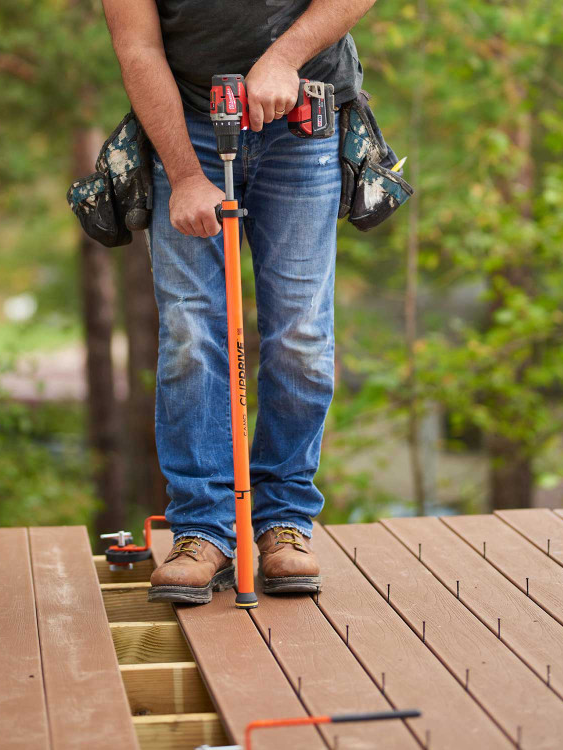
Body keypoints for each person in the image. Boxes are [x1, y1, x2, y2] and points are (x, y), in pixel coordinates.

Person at [102, 0, 374, 604]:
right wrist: (185, 174)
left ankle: (284, 524)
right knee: (190, 334)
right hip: (188, 125)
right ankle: (202, 530)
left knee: (301, 335)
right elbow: (138, 48)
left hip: (306, 118)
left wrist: (282, 58)